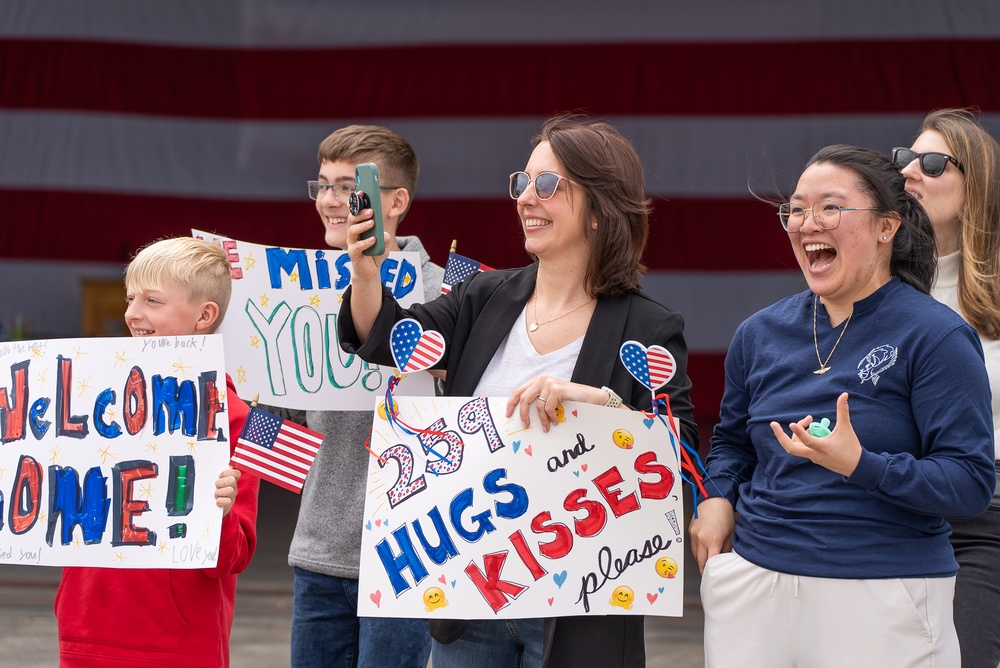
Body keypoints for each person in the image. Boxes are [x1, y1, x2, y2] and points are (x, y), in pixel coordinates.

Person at [339, 115, 698, 668]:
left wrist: (600, 405)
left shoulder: (648, 328)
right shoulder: (485, 297)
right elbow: (387, 340)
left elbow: (682, 459)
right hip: (471, 604)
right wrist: (366, 276)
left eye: (548, 185)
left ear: (601, 208)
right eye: (522, 182)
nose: (526, 198)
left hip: (583, 613)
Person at [689, 145, 996, 667]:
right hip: (754, 588)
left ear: (886, 227)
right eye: (797, 209)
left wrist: (861, 465)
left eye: (830, 207)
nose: (807, 223)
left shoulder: (937, 335)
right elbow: (731, 444)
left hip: (883, 594)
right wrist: (715, 498)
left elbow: (969, 483)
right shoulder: (758, 333)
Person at [55, 237, 260, 667]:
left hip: (180, 647)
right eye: (131, 298)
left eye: (152, 300)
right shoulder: (89, 402)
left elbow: (234, 558)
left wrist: (219, 514)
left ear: (205, 315)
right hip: (84, 634)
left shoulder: (233, 417)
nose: (132, 312)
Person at [287, 124, 442, 668]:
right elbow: (276, 414)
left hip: (413, 551)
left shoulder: (450, 292)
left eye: (347, 186)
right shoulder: (292, 291)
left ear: (395, 200)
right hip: (321, 547)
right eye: (322, 185)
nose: (330, 201)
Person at [894, 108, 1000, 668]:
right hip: (889, 504)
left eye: (932, 163)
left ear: (976, 183)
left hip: (987, 515)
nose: (911, 171)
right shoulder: (870, 286)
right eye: (905, 159)